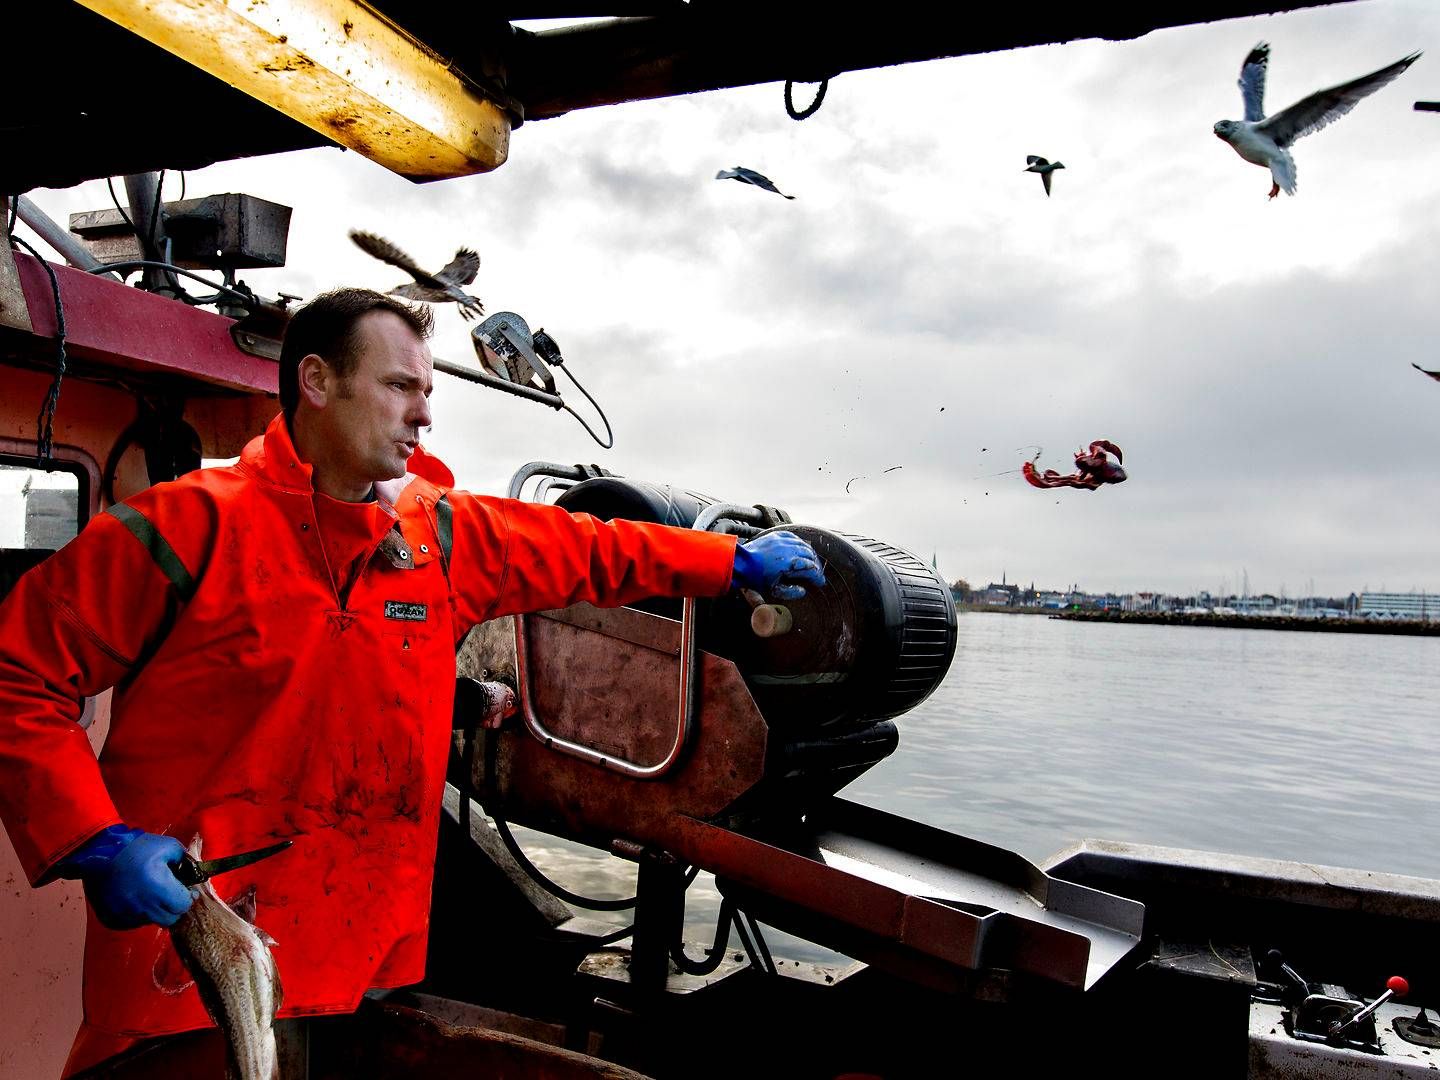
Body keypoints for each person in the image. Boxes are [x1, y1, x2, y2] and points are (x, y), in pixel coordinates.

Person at [0, 287, 824, 1075]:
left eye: (427, 389)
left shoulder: (440, 535)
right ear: (318, 382)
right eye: (400, 385)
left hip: (366, 962)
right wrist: (93, 837)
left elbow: (590, 546)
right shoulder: (188, 527)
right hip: (192, 955)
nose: (424, 411)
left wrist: (726, 562)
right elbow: (16, 672)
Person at [1021, 440, 1127, 491]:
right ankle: (1045, 478)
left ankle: (1046, 479)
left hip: (1113, 474)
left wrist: (1048, 481)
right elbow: (1072, 480)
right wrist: (1048, 479)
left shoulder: (1099, 457)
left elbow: (1105, 445)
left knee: (1077, 481)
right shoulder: (1094, 465)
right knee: (1076, 480)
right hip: (1103, 475)